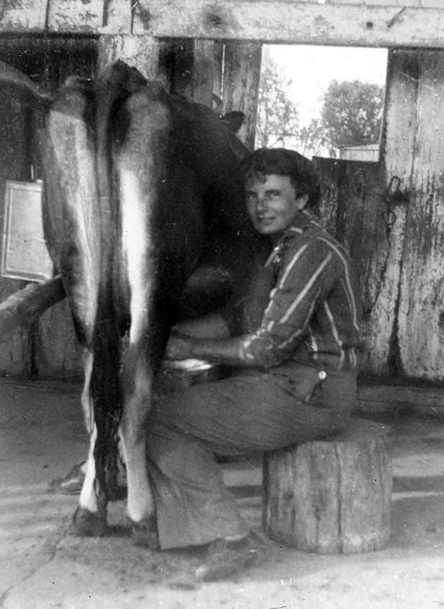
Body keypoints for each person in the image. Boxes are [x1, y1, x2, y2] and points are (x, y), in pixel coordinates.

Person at [145, 147, 363, 582]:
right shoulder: (279, 250)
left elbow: (267, 347)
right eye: (252, 196)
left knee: (160, 422)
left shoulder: (312, 252)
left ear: (301, 200)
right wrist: (168, 336)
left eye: (273, 194)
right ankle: (197, 527)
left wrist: (194, 349)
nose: (259, 206)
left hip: (312, 391)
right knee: (166, 413)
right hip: (290, 384)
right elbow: (237, 318)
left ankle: (229, 536)